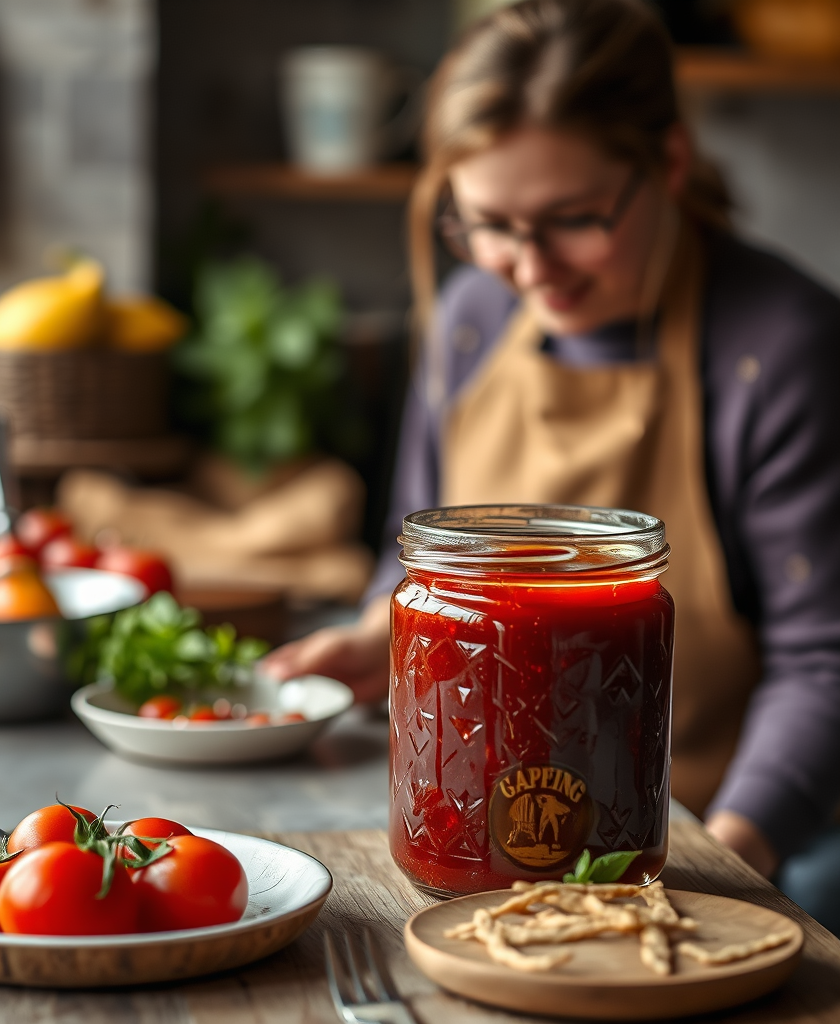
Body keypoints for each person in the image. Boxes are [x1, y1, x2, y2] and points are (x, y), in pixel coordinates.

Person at [263, 0, 840, 930]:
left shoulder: (781, 344)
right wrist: (382, 637)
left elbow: (825, 661)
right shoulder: (470, 316)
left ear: (671, 164)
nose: (528, 267)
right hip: (474, 841)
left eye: (573, 220)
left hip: (712, 823)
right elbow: (419, 544)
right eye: (487, 224)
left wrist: (719, 877)